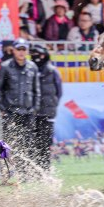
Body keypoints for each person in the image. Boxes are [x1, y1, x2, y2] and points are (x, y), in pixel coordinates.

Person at [0, 38, 40, 176]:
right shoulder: (6, 66)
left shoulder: (33, 67)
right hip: (10, 112)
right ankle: (9, 172)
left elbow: (36, 90)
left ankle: (26, 172)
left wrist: (35, 108)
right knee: (8, 143)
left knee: (28, 143)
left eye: (23, 49)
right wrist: (2, 108)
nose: (21, 52)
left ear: (27, 51)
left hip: (28, 112)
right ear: (13, 50)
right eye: (18, 49)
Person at [29, 44, 62, 172]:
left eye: (38, 54)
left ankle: (45, 170)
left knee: (45, 143)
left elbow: (59, 92)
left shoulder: (53, 71)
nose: (36, 57)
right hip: (32, 113)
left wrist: (51, 106)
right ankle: (33, 170)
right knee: (32, 143)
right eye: (33, 54)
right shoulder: (30, 70)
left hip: (47, 114)